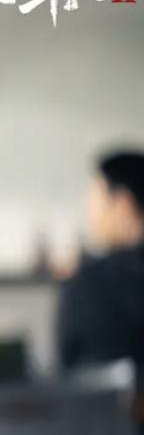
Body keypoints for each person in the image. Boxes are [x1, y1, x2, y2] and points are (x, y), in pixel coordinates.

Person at [57, 150, 144, 374]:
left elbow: (70, 375)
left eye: (95, 202)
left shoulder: (91, 284)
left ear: (123, 203)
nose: (91, 217)